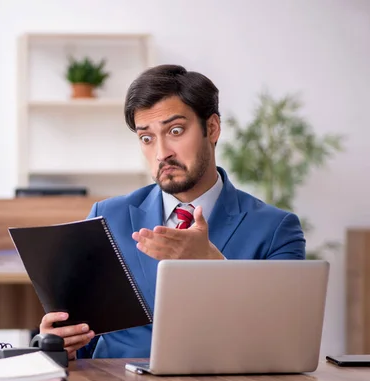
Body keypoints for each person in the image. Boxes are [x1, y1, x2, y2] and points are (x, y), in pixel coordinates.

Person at [39, 64, 306, 359]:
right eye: (147, 138)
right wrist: (63, 342)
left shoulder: (276, 229)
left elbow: (284, 342)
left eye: (175, 131)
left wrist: (213, 264)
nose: (161, 152)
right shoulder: (107, 217)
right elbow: (85, 337)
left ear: (212, 128)